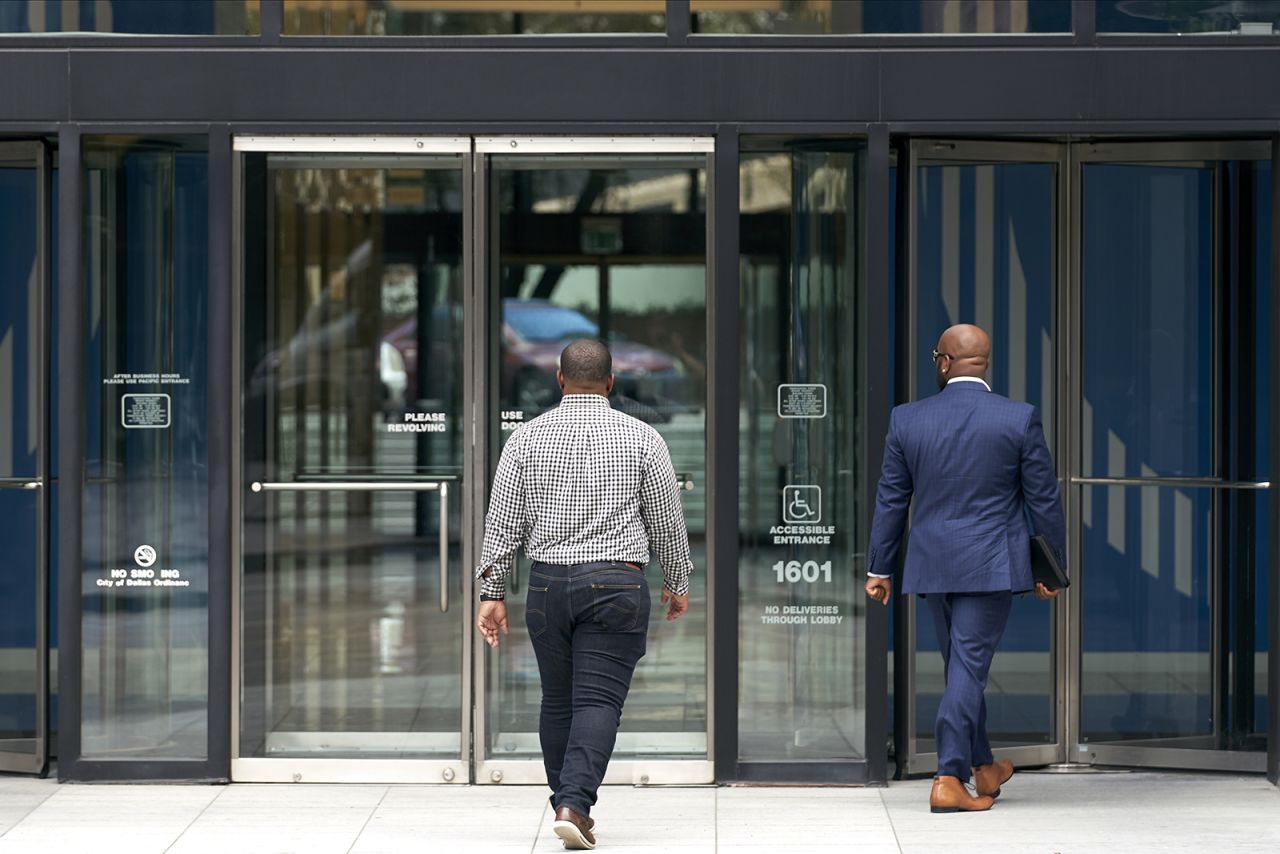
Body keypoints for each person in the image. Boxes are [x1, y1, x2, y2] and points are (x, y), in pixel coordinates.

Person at [475, 338, 693, 850]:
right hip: (616, 581)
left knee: (558, 699)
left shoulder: (524, 440)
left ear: (559, 379)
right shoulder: (643, 437)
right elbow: (667, 519)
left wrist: (491, 591)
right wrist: (677, 581)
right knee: (597, 700)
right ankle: (573, 804)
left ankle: (567, 804)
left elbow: (502, 521)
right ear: (611, 382)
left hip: (548, 583)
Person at [864, 323, 1066, 813]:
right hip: (992, 564)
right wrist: (1051, 570)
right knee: (968, 670)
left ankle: (981, 767)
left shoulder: (907, 419)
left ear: (944, 362)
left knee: (961, 667)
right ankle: (949, 776)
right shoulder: (1018, 419)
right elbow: (1045, 501)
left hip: (933, 564)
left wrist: (879, 567)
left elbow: (892, 498)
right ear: (985, 363)